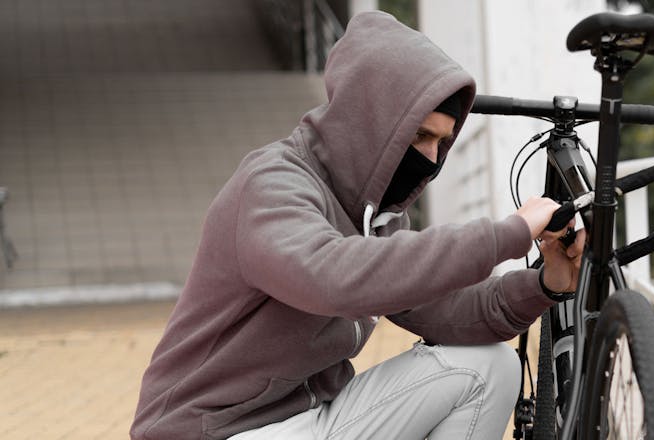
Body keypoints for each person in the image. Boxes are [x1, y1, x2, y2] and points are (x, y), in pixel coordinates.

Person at [131, 11, 584, 440]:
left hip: (304, 420)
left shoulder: (375, 217)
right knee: (477, 370)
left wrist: (545, 283)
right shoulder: (271, 185)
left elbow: (447, 310)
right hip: (215, 431)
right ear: (370, 121)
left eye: (441, 142)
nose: (429, 158)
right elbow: (334, 276)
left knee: (491, 367)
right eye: (419, 136)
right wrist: (510, 232)